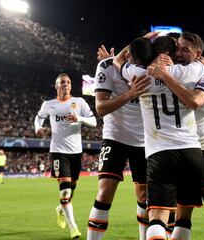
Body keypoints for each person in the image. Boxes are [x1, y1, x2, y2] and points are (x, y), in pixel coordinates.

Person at [114, 34, 204, 239]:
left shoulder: (139, 74)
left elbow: (119, 60)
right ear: (172, 53)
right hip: (191, 151)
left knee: (157, 218)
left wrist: (142, 39)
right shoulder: (187, 72)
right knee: (184, 217)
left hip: (160, 153)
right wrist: (203, 61)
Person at [87, 45, 151, 240]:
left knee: (144, 197)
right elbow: (101, 107)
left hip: (145, 141)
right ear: (128, 54)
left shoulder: (151, 69)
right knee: (105, 192)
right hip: (115, 136)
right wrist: (129, 94)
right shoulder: (107, 66)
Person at [34, 73, 97, 239]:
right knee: (65, 191)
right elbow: (39, 118)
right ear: (56, 85)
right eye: (62, 82)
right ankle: (73, 228)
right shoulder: (49, 104)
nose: (66, 84)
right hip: (58, 151)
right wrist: (38, 129)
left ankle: (61, 209)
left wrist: (79, 118)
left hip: (76, 152)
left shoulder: (79, 102)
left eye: (68, 82)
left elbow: (94, 122)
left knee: (71, 190)